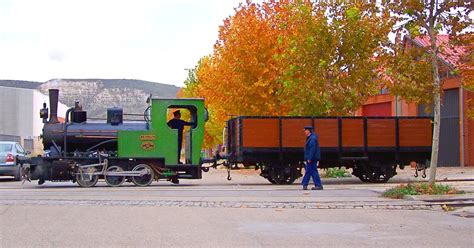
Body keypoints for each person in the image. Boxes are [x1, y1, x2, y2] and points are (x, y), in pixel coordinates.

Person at [302, 126, 323, 190]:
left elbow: (312, 149)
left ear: (308, 130)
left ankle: (318, 185)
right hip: (312, 158)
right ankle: (305, 184)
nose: (304, 132)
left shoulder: (312, 138)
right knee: (309, 171)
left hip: (312, 158)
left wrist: (309, 158)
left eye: (305, 130)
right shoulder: (311, 138)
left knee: (312, 171)